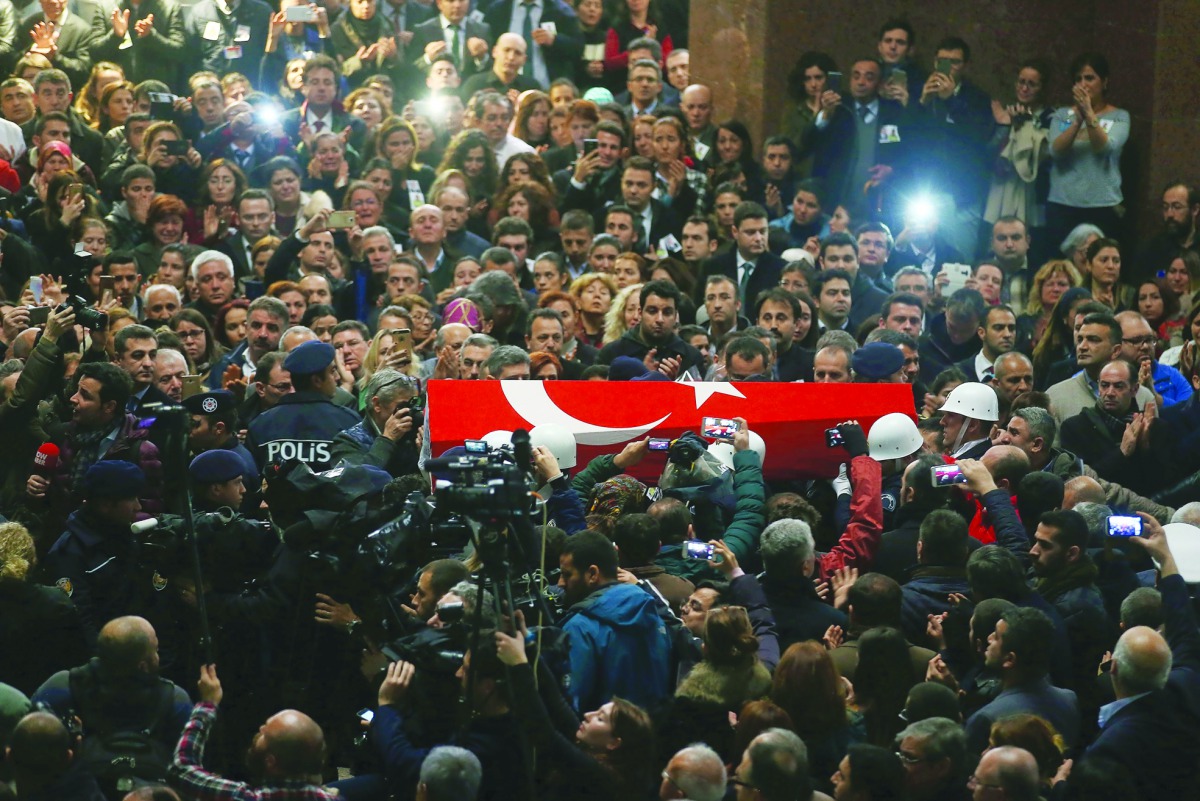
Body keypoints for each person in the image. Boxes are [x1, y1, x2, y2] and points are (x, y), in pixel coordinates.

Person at [169, 663, 338, 800]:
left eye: (265, 734)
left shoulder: (244, 798)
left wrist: (208, 704)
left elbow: (182, 770)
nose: (260, 729)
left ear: (270, 762)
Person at [556, 529, 672, 712]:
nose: (560, 583)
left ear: (592, 574)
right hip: (649, 726)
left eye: (567, 574)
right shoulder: (652, 613)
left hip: (600, 729)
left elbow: (569, 705)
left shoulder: (580, 628)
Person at [963, 605, 1080, 755]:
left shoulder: (987, 719)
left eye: (996, 636)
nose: (989, 638)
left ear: (1009, 659)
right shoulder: (1069, 699)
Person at [1046, 54, 1130, 251]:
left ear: (1105, 82)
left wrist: (1089, 113)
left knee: (1101, 259)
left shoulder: (1119, 116)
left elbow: (1105, 148)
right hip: (1063, 204)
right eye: (1078, 79)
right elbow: (1055, 151)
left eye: (1089, 78)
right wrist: (1077, 121)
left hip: (1103, 205)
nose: (1083, 84)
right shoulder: (1062, 115)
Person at [246, 341, 361, 473]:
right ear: (317, 381)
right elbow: (359, 476)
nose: (337, 377)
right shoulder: (348, 421)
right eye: (332, 371)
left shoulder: (261, 425)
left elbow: (251, 478)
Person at [954, 305, 1017, 383]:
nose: (1007, 334)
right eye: (998, 328)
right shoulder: (959, 372)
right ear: (982, 333)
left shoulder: (1026, 370)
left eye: (1011, 328)